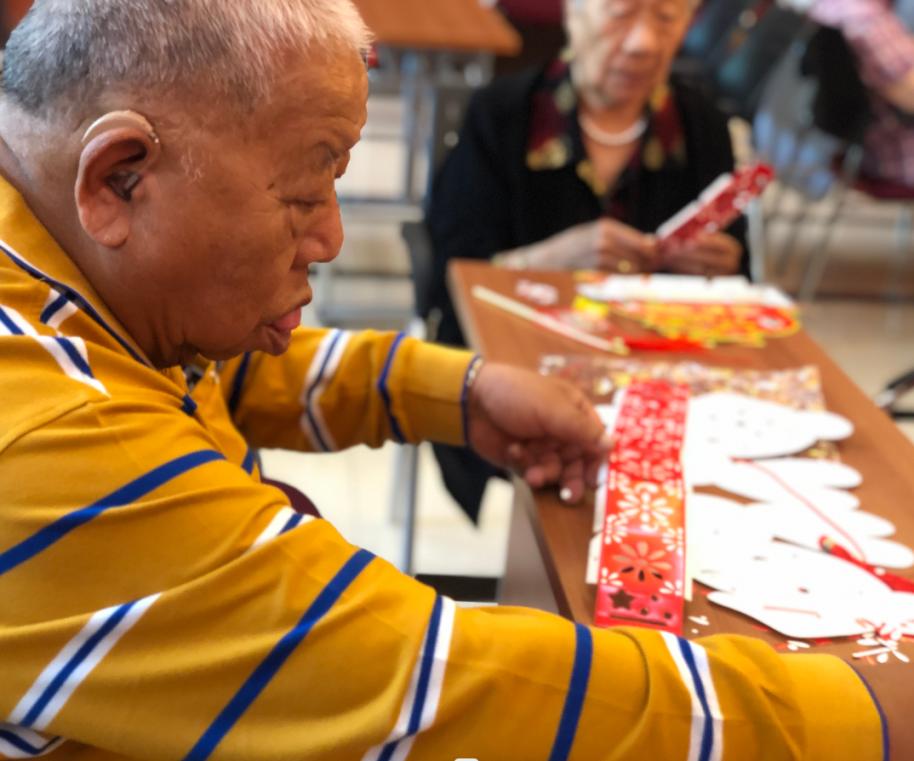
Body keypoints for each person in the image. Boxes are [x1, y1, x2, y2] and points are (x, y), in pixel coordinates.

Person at [0, 1, 906, 759]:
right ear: (118, 179)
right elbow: (429, 677)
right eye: (306, 191)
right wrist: (855, 710)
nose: (331, 239)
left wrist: (458, 391)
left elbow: (221, 378)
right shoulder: (55, 431)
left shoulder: (71, 264)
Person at [423, 0, 752, 520]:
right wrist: (549, 257)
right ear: (573, 14)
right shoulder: (505, 112)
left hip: (654, 377)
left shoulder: (701, 126)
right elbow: (450, 269)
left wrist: (720, 264)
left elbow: (741, 281)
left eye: (666, 18)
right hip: (519, 372)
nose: (644, 41)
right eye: (621, 14)